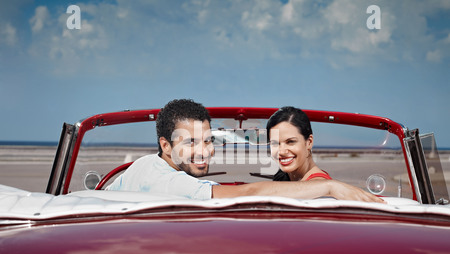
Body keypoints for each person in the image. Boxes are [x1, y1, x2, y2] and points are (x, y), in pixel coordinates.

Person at [107, 99, 383, 203]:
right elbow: (248, 192)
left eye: (207, 140)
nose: (203, 151)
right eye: (190, 142)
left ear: (309, 142)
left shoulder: (139, 167)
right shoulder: (171, 182)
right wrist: (331, 187)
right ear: (166, 145)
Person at [266, 106, 331, 182]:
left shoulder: (319, 185)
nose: (281, 152)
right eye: (275, 143)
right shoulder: (285, 177)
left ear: (309, 142)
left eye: (290, 142)